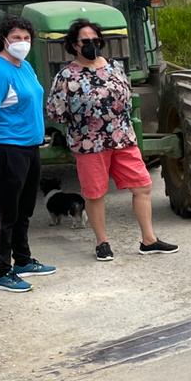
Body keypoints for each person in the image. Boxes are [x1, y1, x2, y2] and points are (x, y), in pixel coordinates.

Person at [45, 18, 178, 262]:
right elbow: (55, 112)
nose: (92, 45)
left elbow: (127, 99)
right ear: (74, 45)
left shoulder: (115, 68)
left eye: (95, 40)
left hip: (122, 139)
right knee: (95, 194)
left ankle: (149, 240)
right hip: (89, 143)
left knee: (142, 186)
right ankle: (102, 243)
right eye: (86, 41)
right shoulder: (65, 76)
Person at [0, 16, 58, 293]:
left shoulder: (25, 66)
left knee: (24, 208)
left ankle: (22, 260)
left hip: (29, 147)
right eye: (17, 38)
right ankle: (2, 271)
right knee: (5, 211)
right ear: (4, 40)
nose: (23, 43)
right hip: (6, 148)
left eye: (26, 38)